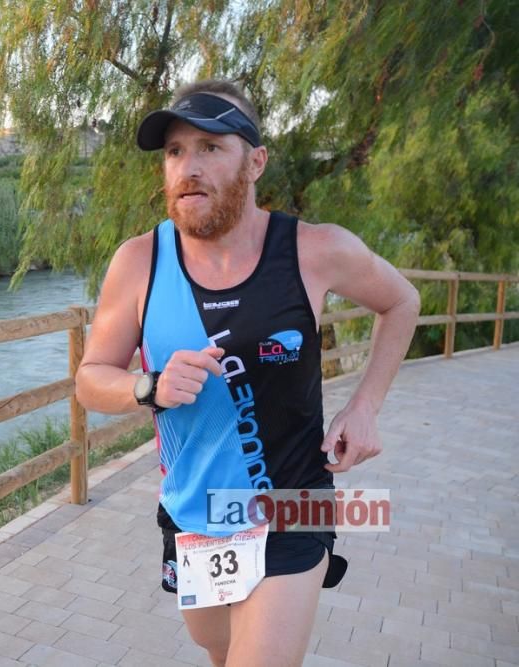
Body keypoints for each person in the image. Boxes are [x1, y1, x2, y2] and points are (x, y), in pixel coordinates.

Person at [74, 80, 420, 667]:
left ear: (255, 161)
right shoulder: (139, 262)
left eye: (211, 147)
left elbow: (402, 301)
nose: (188, 167)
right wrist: (147, 386)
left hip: (293, 503)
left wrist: (364, 406)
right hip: (195, 511)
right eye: (176, 151)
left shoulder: (314, 250)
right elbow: (90, 377)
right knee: (218, 647)